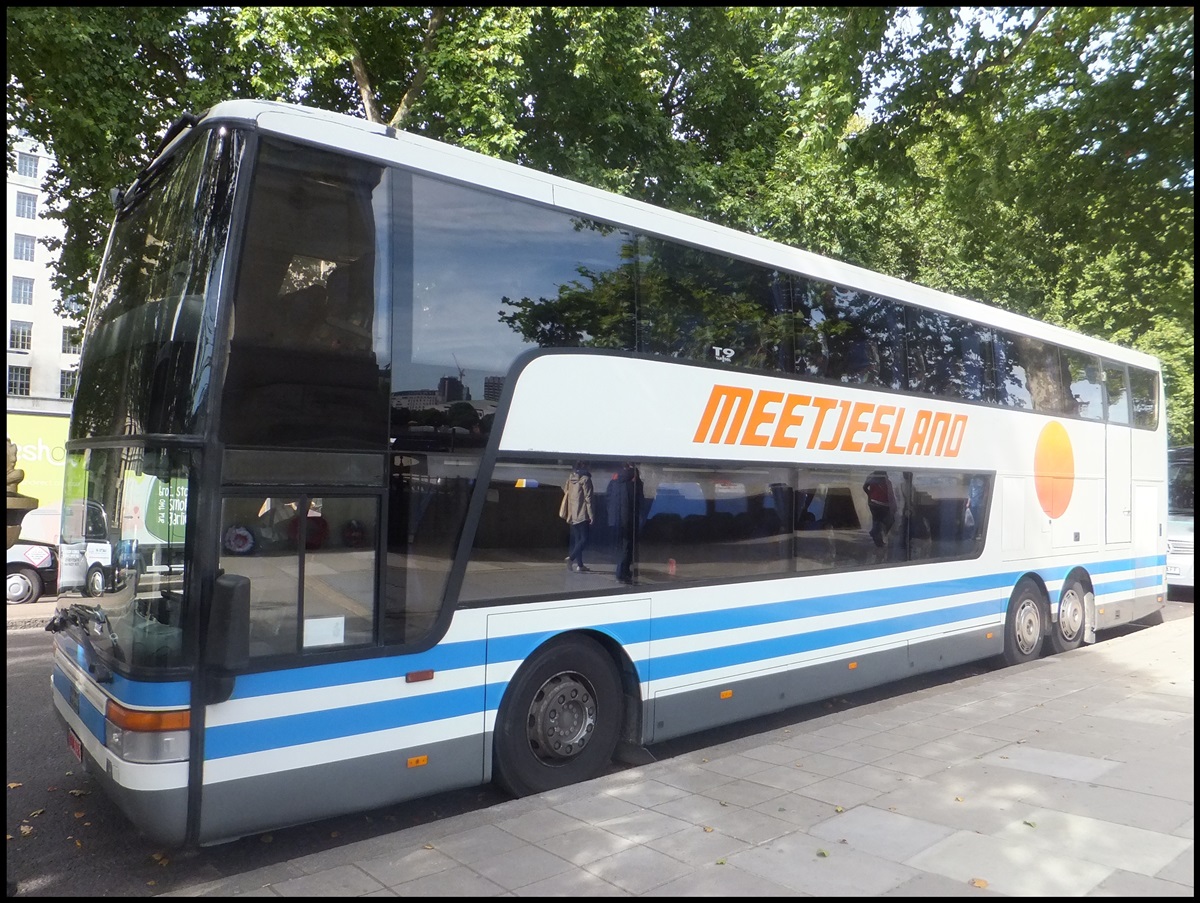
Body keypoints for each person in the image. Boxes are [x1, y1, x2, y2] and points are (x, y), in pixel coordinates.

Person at [608, 462, 644, 584]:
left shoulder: (616, 478)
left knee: (621, 545)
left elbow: (609, 496)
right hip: (628, 518)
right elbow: (639, 500)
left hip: (616, 518)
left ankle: (623, 570)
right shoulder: (634, 480)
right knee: (627, 546)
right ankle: (621, 573)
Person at [559, 462, 594, 572]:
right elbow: (589, 499)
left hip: (572, 513)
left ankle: (580, 565)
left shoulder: (570, 479)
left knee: (578, 539)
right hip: (582, 513)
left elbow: (566, 492)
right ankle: (571, 558)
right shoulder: (586, 479)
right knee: (585, 539)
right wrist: (591, 515)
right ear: (585, 466)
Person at [862, 470, 894, 548]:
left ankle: (877, 536)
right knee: (888, 521)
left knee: (877, 522)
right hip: (883, 505)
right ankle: (878, 540)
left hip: (873, 503)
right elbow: (890, 495)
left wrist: (870, 495)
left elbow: (864, 487)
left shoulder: (871, 478)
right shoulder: (886, 481)